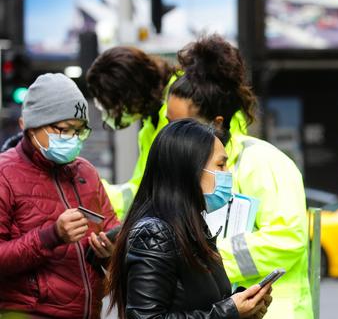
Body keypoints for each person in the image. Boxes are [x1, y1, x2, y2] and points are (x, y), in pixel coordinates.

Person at [166, 34, 313, 319]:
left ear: (216, 122)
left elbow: (287, 238)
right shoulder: (184, 167)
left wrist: (209, 260)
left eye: (183, 124)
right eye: (170, 123)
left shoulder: (262, 162)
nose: (172, 134)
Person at [106, 119, 272, 319]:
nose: (227, 173)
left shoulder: (193, 228)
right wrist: (229, 311)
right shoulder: (154, 233)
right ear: (190, 170)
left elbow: (204, 304)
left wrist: (243, 308)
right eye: (220, 165)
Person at [0, 73, 119, 318]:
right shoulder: (4, 174)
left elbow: (111, 227)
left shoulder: (85, 171)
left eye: (79, 131)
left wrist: (110, 250)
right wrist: (51, 236)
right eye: (64, 130)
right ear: (30, 127)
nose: (73, 140)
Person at [86, 46, 179, 219]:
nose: (111, 113)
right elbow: (140, 190)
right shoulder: (150, 126)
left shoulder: (177, 108)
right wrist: (95, 192)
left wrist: (95, 192)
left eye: (112, 105)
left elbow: (159, 196)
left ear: (131, 93)